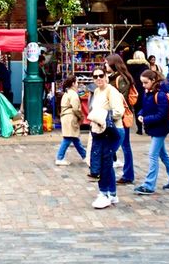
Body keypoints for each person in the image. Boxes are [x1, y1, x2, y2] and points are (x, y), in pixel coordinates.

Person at [133, 69, 169, 196]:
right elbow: (145, 108)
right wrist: (140, 114)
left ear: (153, 81)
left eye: (145, 82)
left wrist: (145, 119)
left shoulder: (160, 94)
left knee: (152, 155)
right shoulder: (148, 92)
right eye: (142, 83)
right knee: (163, 155)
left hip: (160, 128)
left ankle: (149, 185)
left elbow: (162, 114)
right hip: (155, 127)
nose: (143, 85)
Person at [86, 68, 125, 209]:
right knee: (105, 161)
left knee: (104, 162)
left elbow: (119, 111)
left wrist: (101, 116)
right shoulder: (97, 91)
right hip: (101, 131)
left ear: (106, 76)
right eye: (95, 76)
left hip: (112, 130)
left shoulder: (111, 91)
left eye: (101, 75)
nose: (98, 78)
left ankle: (104, 193)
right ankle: (111, 193)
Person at [106, 53, 135, 185]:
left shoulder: (121, 79)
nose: (105, 65)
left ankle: (128, 174)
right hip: (113, 115)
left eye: (107, 63)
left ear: (113, 64)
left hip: (121, 116)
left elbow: (120, 99)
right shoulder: (112, 77)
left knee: (125, 145)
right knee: (116, 143)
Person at [55, 75, 86, 165]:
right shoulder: (73, 94)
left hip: (66, 117)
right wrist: (81, 117)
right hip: (71, 118)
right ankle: (59, 158)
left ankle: (84, 156)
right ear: (73, 83)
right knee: (68, 138)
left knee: (74, 138)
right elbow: (76, 108)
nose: (78, 84)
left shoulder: (67, 93)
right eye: (76, 82)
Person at [127, 51, 148, 134]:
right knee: (145, 108)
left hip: (134, 90)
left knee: (137, 109)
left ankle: (139, 129)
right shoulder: (145, 67)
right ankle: (146, 127)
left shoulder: (130, 67)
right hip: (144, 89)